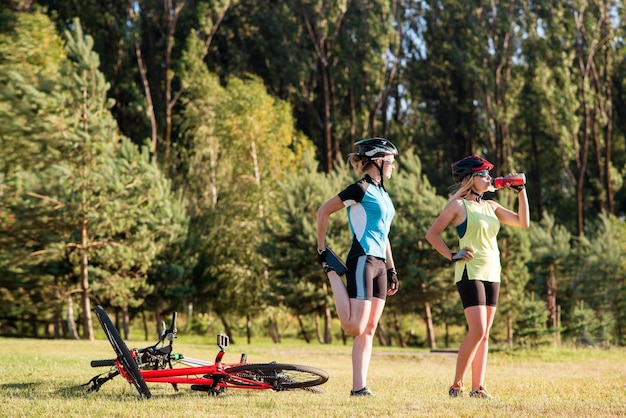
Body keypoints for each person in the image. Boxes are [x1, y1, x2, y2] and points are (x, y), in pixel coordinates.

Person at [425, 155, 529, 399]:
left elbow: (523, 222)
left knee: (485, 333)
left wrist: (521, 192)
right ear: (471, 178)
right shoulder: (458, 205)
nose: (489, 178)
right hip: (470, 271)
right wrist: (452, 255)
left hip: (493, 272)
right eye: (484, 174)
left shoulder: (491, 206)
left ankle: (478, 387)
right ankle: (456, 385)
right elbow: (432, 234)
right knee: (478, 329)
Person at [316, 137, 400, 397]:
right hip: (362, 258)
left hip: (380, 264)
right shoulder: (359, 189)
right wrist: (322, 250)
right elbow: (323, 212)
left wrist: (392, 269)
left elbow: (384, 234)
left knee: (370, 329)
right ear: (377, 159)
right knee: (354, 326)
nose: (393, 165)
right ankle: (332, 272)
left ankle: (359, 387)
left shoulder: (383, 194)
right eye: (391, 160)